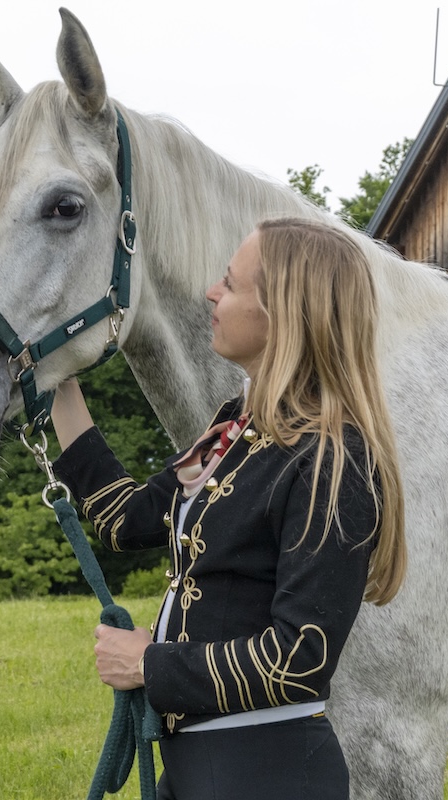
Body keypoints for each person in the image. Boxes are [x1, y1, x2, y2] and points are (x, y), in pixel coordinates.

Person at [49, 217, 407, 799]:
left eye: (230, 283)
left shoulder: (334, 463)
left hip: (266, 773)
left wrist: (151, 665)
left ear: (285, 315)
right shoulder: (231, 432)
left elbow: (301, 656)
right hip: (200, 770)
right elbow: (129, 518)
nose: (211, 294)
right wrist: (60, 382)